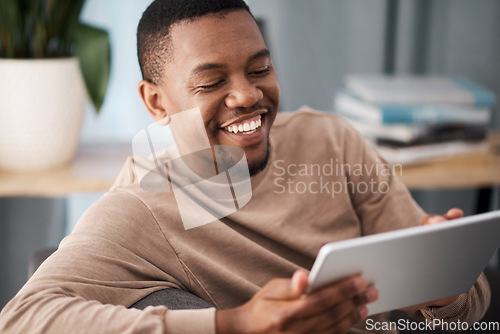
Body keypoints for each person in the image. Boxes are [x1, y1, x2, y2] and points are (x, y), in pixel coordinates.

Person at [0, 0, 490, 333]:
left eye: (260, 69)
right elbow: (22, 318)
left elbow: (461, 314)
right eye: (211, 82)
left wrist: (443, 283)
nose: (248, 95)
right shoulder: (143, 205)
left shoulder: (330, 138)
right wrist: (232, 324)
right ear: (156, 102)